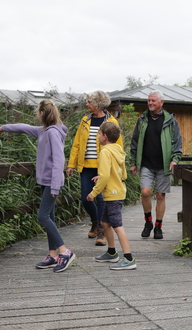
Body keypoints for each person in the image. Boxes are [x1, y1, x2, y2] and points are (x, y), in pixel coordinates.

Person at [0, 100, 76, 273]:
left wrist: (54, 187)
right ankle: (53, 255)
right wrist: (5, 127)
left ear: (43, 113)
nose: (36, 115)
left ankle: (65, 252)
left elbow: (59, 160)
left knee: (42, 216)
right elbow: (23, 127)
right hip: (45, 182)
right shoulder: (42, 131)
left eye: (38, 112)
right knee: (49, 218)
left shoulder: (53, 133)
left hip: (52, 183)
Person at [67, 91, 123, 246]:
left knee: (101, 199)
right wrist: (71, 164)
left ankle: (101, 230)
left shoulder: (111, 121)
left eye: (90, 102)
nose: (87, 104)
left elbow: (118, 146)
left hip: (103, 165)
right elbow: (77, 143)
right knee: (86, 197)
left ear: (98, 104)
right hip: (86, 165)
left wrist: (116, 168)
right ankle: (95, 220)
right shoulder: (85, 120)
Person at [129, 90, 182, 240]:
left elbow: (177, 142)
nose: (150, 103)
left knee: (160, 195)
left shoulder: (170, 121)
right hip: (146, 163)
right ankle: (148, 222)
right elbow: (135, 142)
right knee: (145, 192)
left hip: (163, 165)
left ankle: (158, 226)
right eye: (149, 101)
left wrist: (175, 159)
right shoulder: (142, 120)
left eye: (153, 101)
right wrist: (133, 162)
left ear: (161, 102)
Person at [86, 122, 136, 270]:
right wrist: (101, 177)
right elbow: (122, 173)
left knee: (117, 226)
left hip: (112, 194)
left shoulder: (105, 152)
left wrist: (93, 193)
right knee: (105, 222)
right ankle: (112, 252)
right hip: (118, 191)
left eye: (99, 134)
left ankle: (129, 258)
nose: (97, 136)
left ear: (105, 136)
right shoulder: (117, 149)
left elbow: (106, 175)